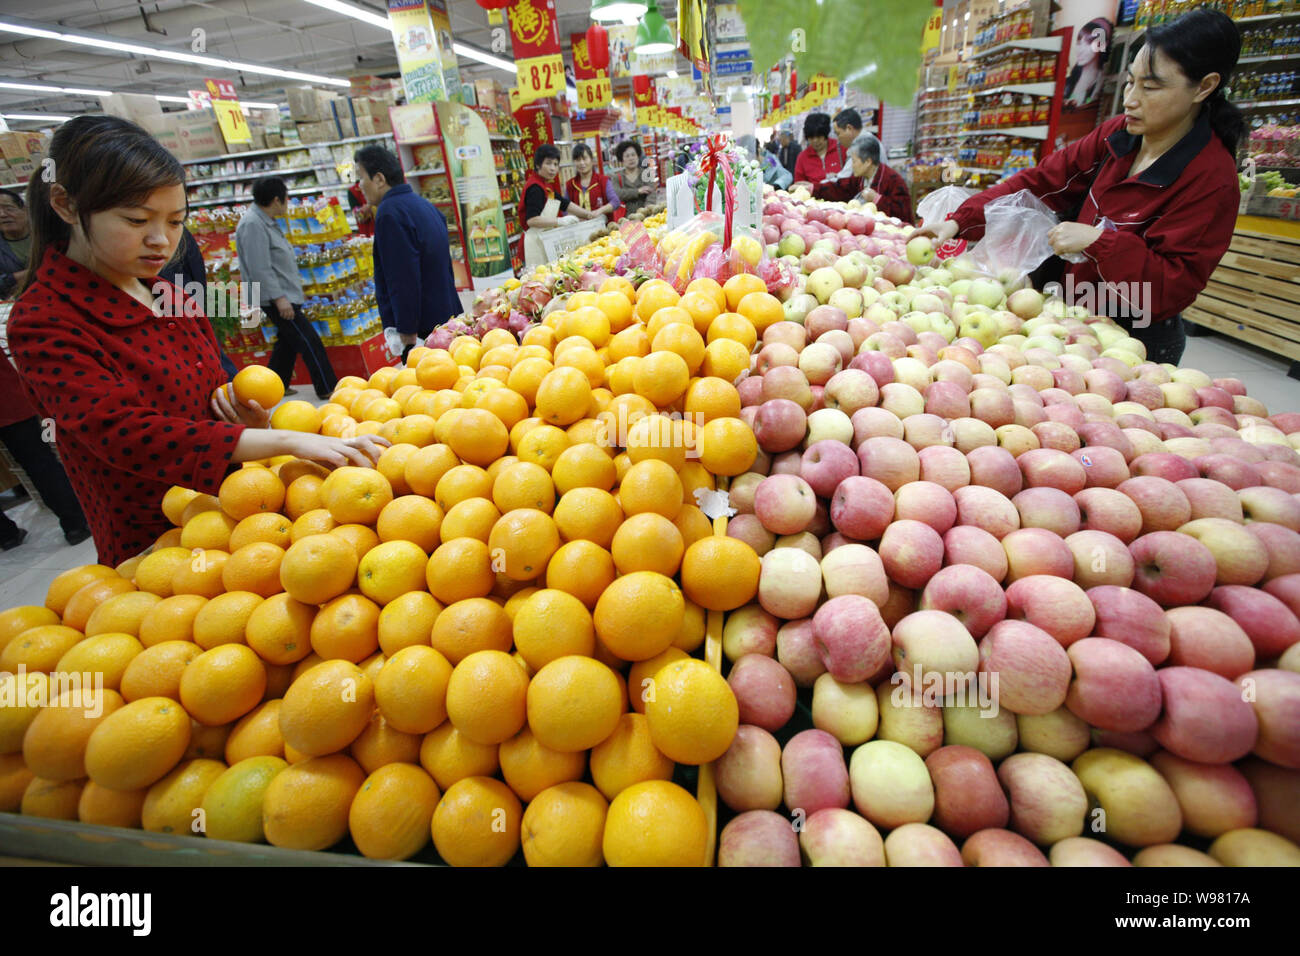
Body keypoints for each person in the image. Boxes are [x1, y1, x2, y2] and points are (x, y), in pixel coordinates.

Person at [7, 115, 386, 567]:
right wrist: (286, 441)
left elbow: (214, 381)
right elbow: (122, 432)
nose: (160, 241)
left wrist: (241, 407)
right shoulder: (44, 320)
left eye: (175, 221)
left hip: (244, 509)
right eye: (136, 220)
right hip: (157, 540)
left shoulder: (168, 293)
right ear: (66, 206)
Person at [911, 7, 1243, 366]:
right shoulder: (1118, 134)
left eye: (1150, 87)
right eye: (1131, 82)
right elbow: (1041, 182)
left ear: (1205, 87)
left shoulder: (1211, 179)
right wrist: (960, 220)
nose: (1131, 99)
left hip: (1134, 336)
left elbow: (1172, 284)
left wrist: (1099, 242)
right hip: (1072, 316)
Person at [355, 145, 461, 364]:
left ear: (379, 179)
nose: (359, 186)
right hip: (444, 314)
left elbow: (402, 278)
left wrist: (406, 328)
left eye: (361, 178)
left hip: (422, 328)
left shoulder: (389, 213)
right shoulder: (423, 205)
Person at [235, 177, 337, 399]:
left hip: (284, 294)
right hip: (275, 297)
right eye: (286, 199)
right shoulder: (253, 224)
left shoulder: (265, 221)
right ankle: (328, 387)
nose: (287, 203)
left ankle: (272, 385)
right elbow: (259, 267)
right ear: (275, 200)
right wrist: (280, 299)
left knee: (287, 343)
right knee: (309, 341)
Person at [0, 354, 91, 549]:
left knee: (40, 462)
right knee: (39, 462)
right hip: (7, 400)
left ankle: (6, 536)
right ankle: (75, 524)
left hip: (9, 401)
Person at [522, 144, 601, 269]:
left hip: (544, 239)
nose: (553, 168)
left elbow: (566, 204)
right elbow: (532, 220)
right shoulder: (535, 188)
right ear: (537, 165)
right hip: (535, 243)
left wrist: (589, 215)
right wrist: (560, 221)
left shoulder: (546, 186)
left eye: (555, 164)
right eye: (548, 163)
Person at [844, 133, 914, 224]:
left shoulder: (893, 180)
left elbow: (903, 214)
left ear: (868, 162)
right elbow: (841, 187)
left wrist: (877, 199)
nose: (852, 166)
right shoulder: (861, 177)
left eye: (854, 161)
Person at [813, 108, 867, 202]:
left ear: (849, 128)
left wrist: (813, 187)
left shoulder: (863, 145)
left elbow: (845, 179)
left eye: (838, 134)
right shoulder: (864, 140)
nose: (838, 139)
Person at [1065, 18, 1114, 108]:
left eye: (1088, 43)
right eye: (1079, 42)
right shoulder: (1067, 83)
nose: (1080, 50)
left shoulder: (1102, 84)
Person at [791, 113, 845, 190]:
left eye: (819, 136)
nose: (815, 141)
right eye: (811, 138)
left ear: (826, 134)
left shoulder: (841, 149)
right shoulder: (803, 157)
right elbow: (798, 185)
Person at [565, 143, 618, 219]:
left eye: (584, 158)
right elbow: (565, 208)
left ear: (592, 160)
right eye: (578, 160)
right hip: (579, 229)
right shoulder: (570, 184)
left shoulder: (603, 180)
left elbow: (615, 202)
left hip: (604, 228)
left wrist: (599, 211)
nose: (581, 163)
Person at [610, 141, 655, 218]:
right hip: (625, 219)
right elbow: (617, 194)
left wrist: (646, 210)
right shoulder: (616, 177)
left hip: (645, 216)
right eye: (627, 156)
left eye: (633, 155)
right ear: (622, 159)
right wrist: (637, 191)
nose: (631, 158)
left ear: (638, 156)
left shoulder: (646, 174)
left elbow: (651, 194)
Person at [0, 189, 30, 299]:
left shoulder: (47, 233)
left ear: (25, 210)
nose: (2, 215)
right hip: (23, 301)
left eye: (9, 208)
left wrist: (12, 279)